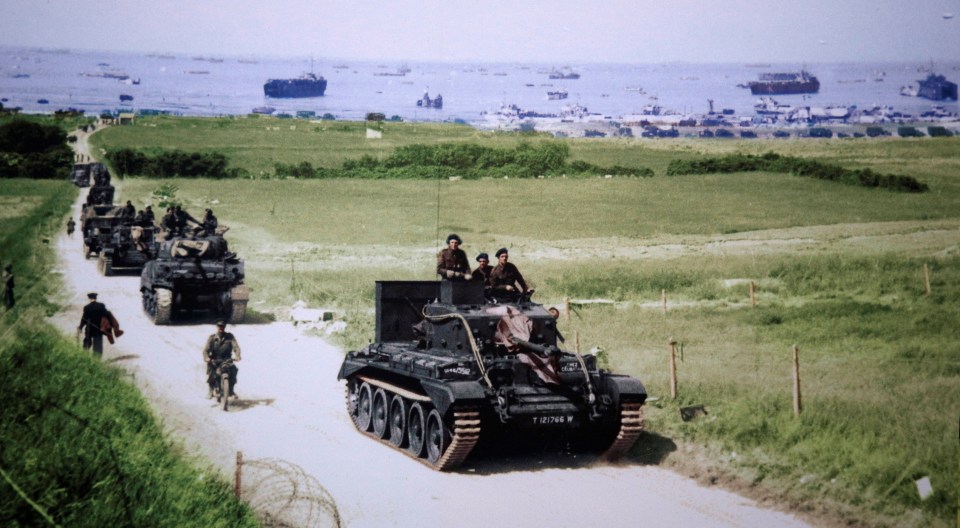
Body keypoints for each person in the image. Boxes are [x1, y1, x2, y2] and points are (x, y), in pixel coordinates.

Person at [203, 320, 241, 399]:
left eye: (223, 326)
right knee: (211, 373)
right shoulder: (212, 338)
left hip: (227, 360)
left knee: (233, 371)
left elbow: (236, 347)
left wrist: (237, 355)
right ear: (217, 327)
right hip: (215, 360)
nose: (221, 328)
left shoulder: (230, 337)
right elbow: (206, 350)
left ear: (225, 327)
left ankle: (231, 390)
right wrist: (207, 357)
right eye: (219, 326)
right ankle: (210, 390)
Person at [78, 292, 108, 357]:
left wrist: (80, 327)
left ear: (89, 298)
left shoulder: (86, 307)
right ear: (96, 298)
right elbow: (106, 316)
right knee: (98, 345)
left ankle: (85, 355)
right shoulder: (101, 305)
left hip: (89, 328)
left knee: (87, 342)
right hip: (99, 329)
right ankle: (96, 359)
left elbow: (84, 319)